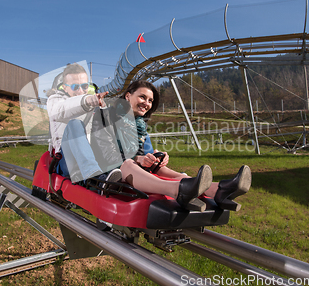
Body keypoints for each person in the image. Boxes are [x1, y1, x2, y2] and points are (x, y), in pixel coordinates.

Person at [91, 80, 251, 211]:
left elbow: (138, 153)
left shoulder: (139, 125)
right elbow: (107, 154)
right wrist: (138, 159)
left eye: (150, 100)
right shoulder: (107, 116)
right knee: (127, 164)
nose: (146, 103)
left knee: (163, 170)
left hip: (131, 167)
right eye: (142, 97)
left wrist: (153, 156)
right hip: (109, 172)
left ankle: (218, 190)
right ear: (127, 96)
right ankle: (178, 190)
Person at [46, 63, 123, 186]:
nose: (80, 91)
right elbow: (63, 108)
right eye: (75, 87)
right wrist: (86, 101)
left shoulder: (93, 103)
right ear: (65, 88)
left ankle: (107, 177)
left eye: (84, 86)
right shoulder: (55, 100)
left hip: (92, 157)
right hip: (66, 159)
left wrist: (103, 110)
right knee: (74, 124)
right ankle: (94, 177)